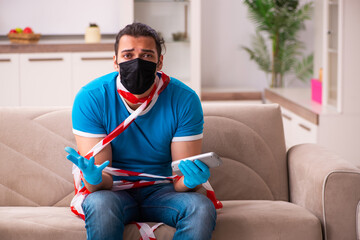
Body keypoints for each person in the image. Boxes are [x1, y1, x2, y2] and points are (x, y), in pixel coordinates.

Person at [65, 22, 217, 240]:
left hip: (163, 190)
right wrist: (92, 177)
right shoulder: (91, 98)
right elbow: (101, 181)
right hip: (113, 190)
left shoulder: (184, 99)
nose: (137, 62)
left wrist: (191, 180)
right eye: (128, 55)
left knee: (200, 207)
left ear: (160, 61)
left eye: (146, 56)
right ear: (115, 61)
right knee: (99, 204)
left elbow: (180, 179)